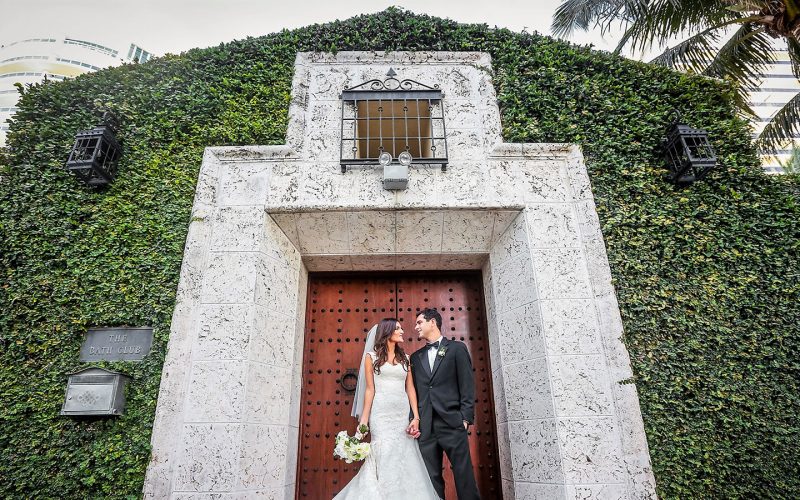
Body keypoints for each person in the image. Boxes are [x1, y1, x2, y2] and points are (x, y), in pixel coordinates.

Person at [333, 318, 439, 500]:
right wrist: (364, 421)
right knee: (384, 455)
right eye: (398, 328)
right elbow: (369, 390)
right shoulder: (371, 358)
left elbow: (410, 388)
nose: (402, 331)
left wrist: (416, 417)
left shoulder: (405, 358)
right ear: (387, 332)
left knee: (404, 456)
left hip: (401, 415)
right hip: (381, 415)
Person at [408, 308, 481, 500]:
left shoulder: (456, 349)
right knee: (431, 478)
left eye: (419, 322)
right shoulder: (415, 358)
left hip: (452, 422)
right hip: (426, 425)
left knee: (463, 475)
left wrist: (465, 418)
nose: (416, 327)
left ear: (433, 322)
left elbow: (466, 384)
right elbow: (414, 392)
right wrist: (414, 419)